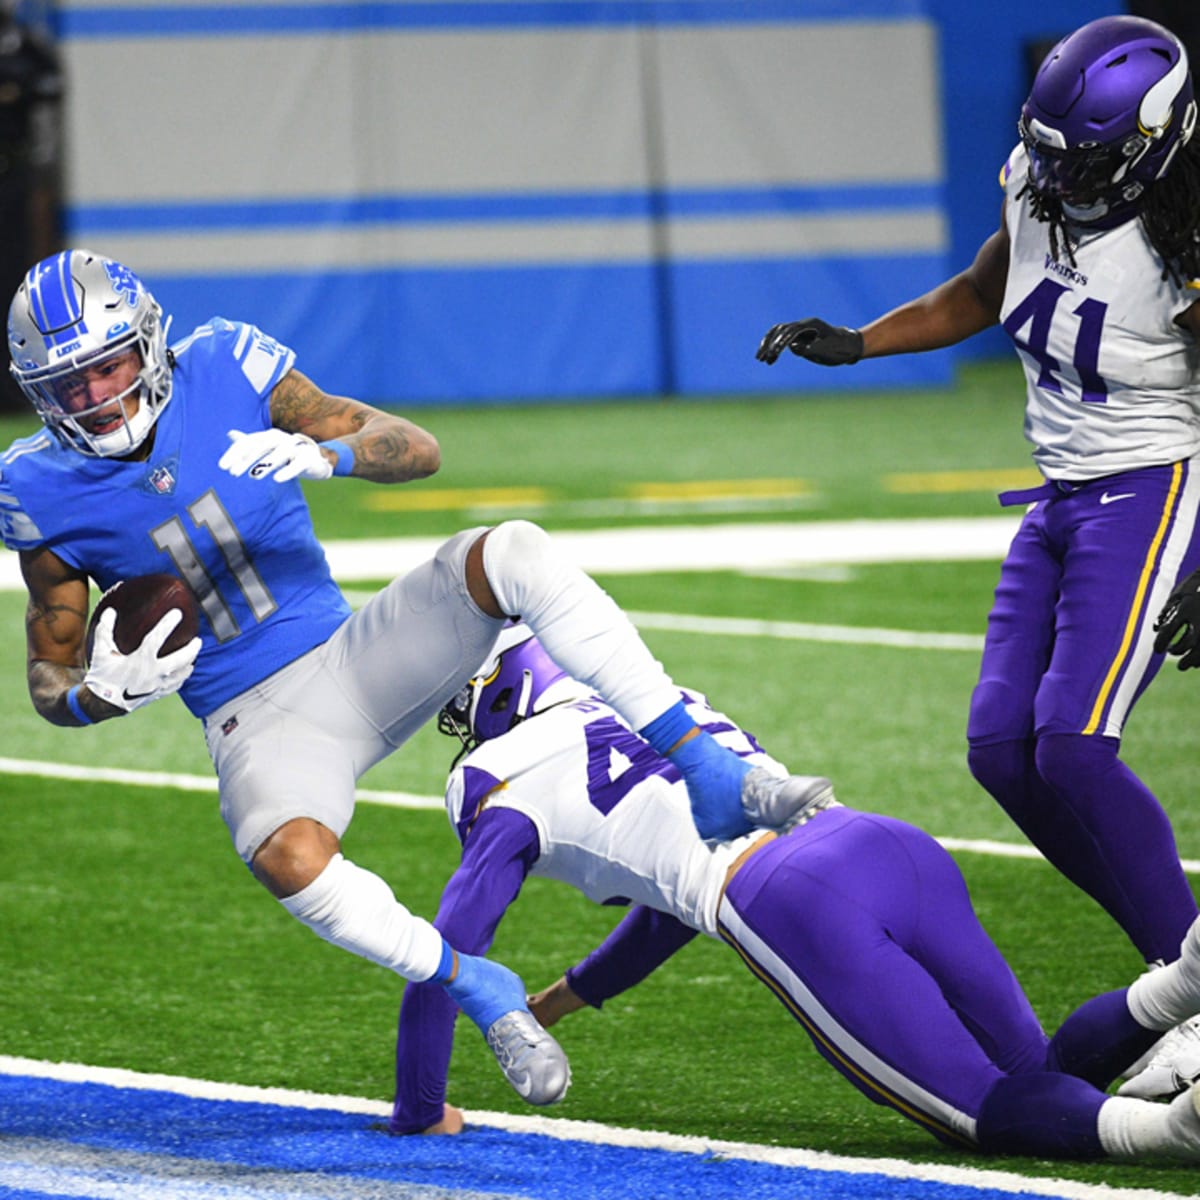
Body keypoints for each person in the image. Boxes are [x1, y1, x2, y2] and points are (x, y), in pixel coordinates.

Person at [0, 249, 802, 1109]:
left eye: (108, 367)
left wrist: (329, 457)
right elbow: (50, 668)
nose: (96, 398)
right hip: (255, 718)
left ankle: (709, 769)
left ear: (149, 343)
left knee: (512, 550)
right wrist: (96, 697)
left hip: (356, 658)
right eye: (69, 385)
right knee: (286, 857)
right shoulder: (33, 484)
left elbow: (416, 448)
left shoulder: (227, 361)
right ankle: (475, 984)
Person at [756, 15, 1200, 1099]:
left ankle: (1190, 981)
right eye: (1045, 151)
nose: (1056, 177)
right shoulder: (1039, 179)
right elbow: (985, 287)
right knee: (1003, 750)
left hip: (1158, 483)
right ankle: (1176, 970)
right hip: (1059, 490)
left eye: (1080, 158)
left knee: (1077, 749)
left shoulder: (1184, 230)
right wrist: (865, 339)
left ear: (1151, 141)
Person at [389, 624, 1200, 1161]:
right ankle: (1181, 982)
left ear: (491, 695)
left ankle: (1171, 1132)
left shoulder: (500, 782)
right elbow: (669, 904)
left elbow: (445, 954)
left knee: (983, 1113)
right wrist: (569, 994)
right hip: (884, 843)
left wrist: (422, 1106)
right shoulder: (654, 702)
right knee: (1040, 1071)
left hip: (788, 899)